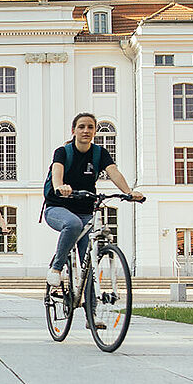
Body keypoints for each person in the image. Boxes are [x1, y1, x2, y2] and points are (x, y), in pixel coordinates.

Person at [44, 112, 143, 287]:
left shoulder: (99, 153)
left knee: (88, 254)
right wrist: (61, 187)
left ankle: (91, 302)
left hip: (85, 211)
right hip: (57, 208)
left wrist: (129, 192)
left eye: (90, 127)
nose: (86, 130)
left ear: (95, 131)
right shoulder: (63, 152)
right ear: (73, 130)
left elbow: (114, 172)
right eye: (81, 126)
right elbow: (57, 174)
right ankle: (56, 268)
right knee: (73, 224)